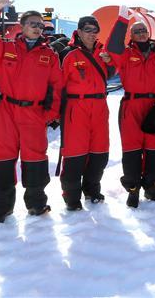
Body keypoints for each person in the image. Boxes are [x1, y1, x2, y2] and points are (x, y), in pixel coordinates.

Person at [0, 0, 64, 223]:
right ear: (22, 26)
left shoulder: (50, 56)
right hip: (7, 111)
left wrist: (50, 114)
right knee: (3, 158)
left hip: (34, 113)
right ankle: (2, 207)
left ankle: (36, 204)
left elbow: (57, 86)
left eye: (41, 25)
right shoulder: (5, 48)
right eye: (33, 24)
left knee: (35, 158)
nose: (38, 28)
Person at [106, 7, 155, 207]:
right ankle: (133, 189)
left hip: (154, 106)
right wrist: (122, 20)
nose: (142, 34)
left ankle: (151, 187)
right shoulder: (125, 54)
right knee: (132, 150)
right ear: (132, 36)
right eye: (137, 31)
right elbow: (112, 47)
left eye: (144, 30)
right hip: (131, 106)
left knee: (154, 149)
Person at [58, 16, 116, 211]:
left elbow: (110, 73)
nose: (92, 34)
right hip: (77, 107)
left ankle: (92, 190)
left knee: (99, 153)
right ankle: (72, 198)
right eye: (88, 30)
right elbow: (57, 84)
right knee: (75, 155)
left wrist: (110, 62)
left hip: (99, 106)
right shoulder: (68, 54)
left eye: (95, 30)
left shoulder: (103, 53)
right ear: (79, 31)